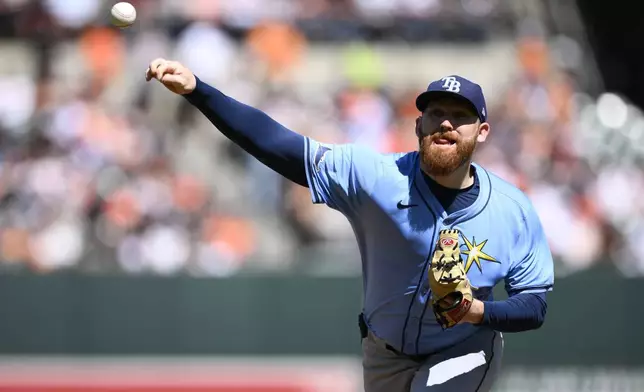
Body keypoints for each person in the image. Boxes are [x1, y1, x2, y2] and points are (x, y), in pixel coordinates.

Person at [145, 58, 554, 392]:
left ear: (481, 132)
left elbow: (533, 305)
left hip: (463, 351)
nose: (446, 123)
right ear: (418, 125)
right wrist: (199, 91)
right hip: (384, 353)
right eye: (435, 113)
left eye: (460, 116)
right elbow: (279, 144)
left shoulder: (511, 210)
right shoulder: (375, 175)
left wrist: (476, 311)